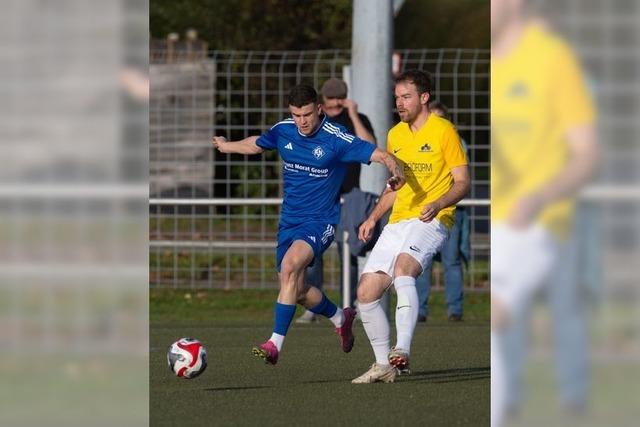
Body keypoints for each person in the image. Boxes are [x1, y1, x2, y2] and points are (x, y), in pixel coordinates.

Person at [211, 84, 405, 366]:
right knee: (297, 290)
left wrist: (394, 166)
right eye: (295, 115)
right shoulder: (284, 129)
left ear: (319, 109)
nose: (301, 121)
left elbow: (378, 153)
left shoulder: (335, 138)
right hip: (289, 220)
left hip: (321, 221)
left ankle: (274, 344)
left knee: (290, 267)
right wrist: (226, 146)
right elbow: (258, 143)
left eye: (306, 115)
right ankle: (341, 317)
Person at [491, 1, 598, 425]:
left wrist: (540, 197)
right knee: (507, 324)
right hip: (503, 222)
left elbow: (587, 152)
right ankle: (512, 398)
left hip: (541, 220)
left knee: (555, 309)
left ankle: (573, 394)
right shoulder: (496, 65)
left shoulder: (554, 59)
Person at [351, 70, 470, 383]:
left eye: (406, 97)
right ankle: (382, 365)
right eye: (396, 98)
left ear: (424, 97)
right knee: (366, 291)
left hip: (432, 218)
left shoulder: (445, 131)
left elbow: (463, 182)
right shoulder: (395, 135)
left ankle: (401, 350)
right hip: (398, 220)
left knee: (404, 268)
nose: (399, 103)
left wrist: (439, 203)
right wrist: (373, 217)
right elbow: (395, 186)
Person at [296, 77, 378, 324]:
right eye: (329, 99)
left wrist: (353, 114)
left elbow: (370, 146)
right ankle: (314, 304)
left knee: (350, 251)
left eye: (339, 99)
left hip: (349, 194)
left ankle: (349, 304)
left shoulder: (356, 119)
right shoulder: (316, 122)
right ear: (322, 100)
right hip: (319, 197)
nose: (334, 104)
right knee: (312, 254)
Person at [415, 100, 470, 322]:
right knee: (421, 261)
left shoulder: (454, 141)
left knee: (452, 261)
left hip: (450, 210)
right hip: (424, 211)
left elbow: (459, 178)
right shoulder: (416, 139)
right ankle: (419, 311)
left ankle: (455, 310)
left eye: (439, 119)